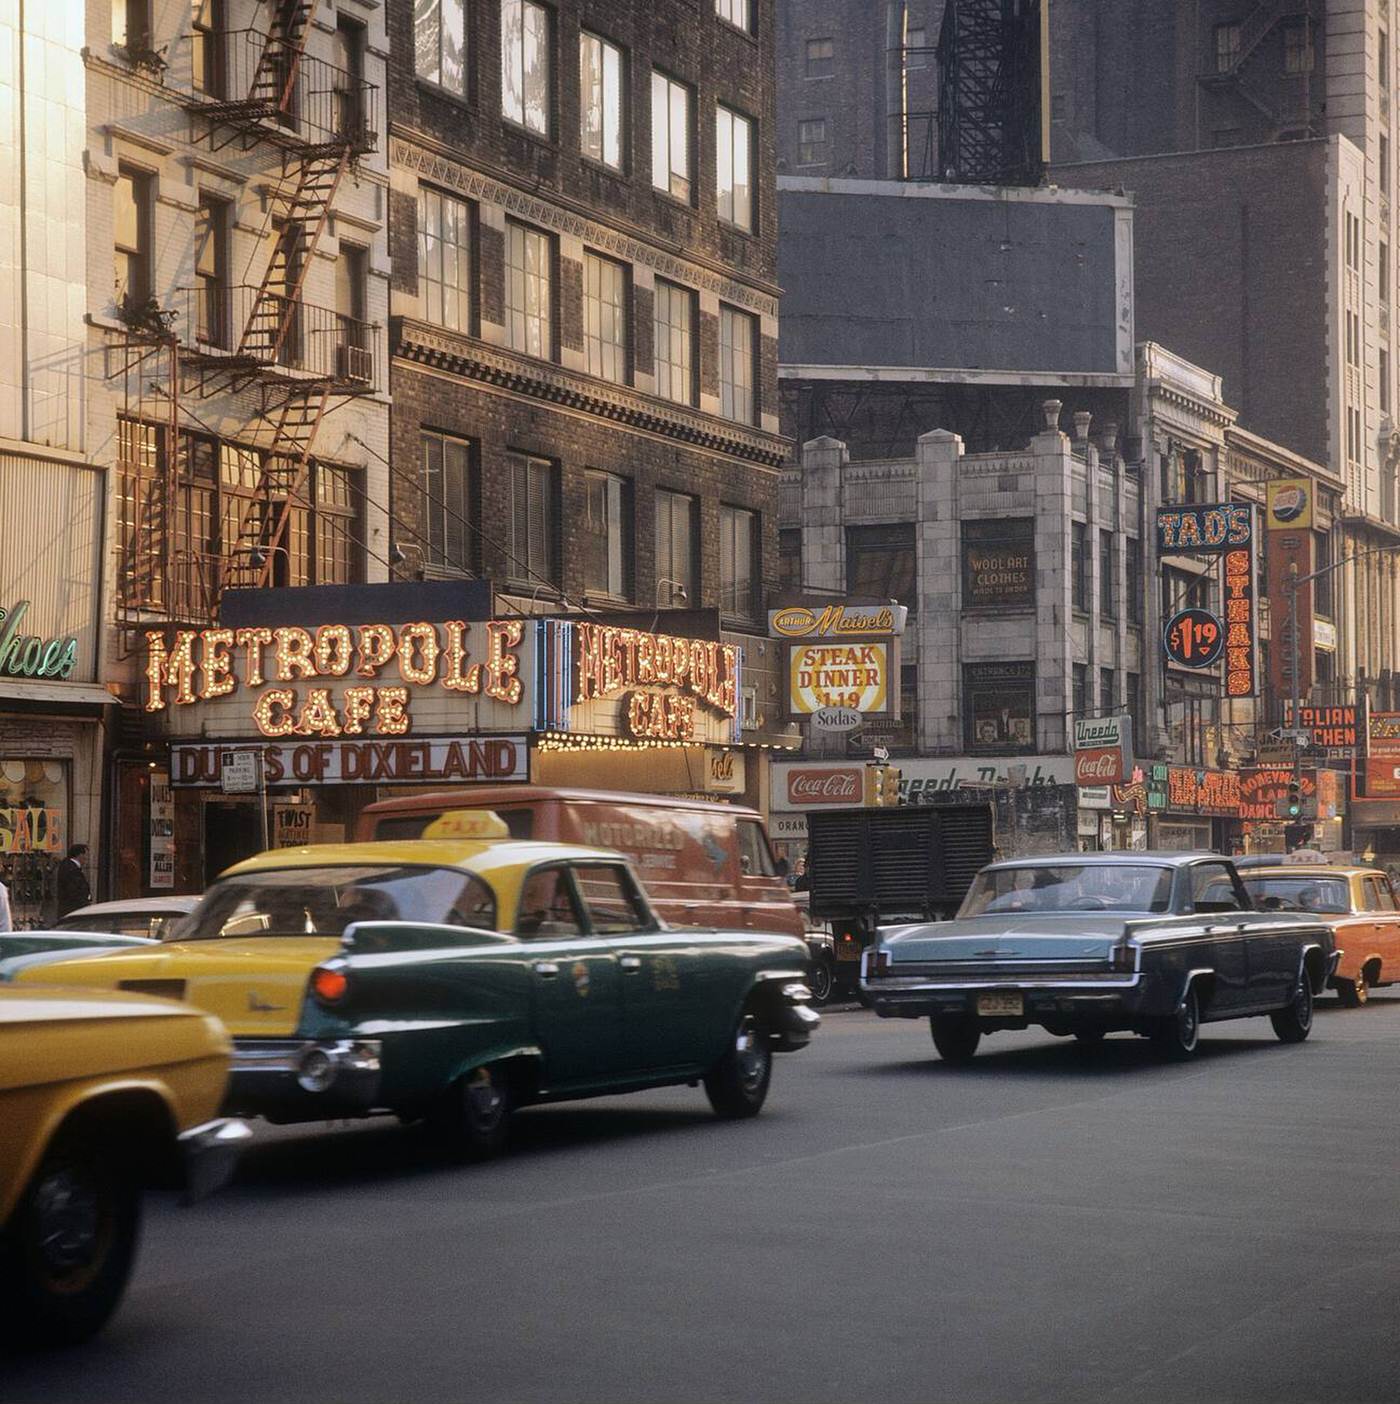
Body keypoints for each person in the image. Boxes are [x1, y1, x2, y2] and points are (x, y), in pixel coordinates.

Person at [55, 843, 91, 919]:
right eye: (86, 855)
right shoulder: (72, 870)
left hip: (69, 908)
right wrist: (84, 902)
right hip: (73, 909)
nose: (87, 858)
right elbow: (74, 890)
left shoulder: (69, 866)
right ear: (80, 855)